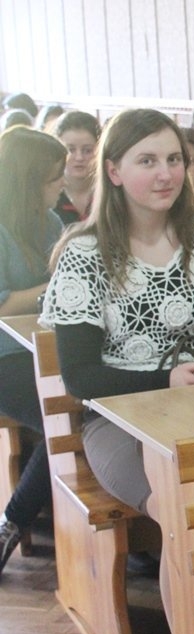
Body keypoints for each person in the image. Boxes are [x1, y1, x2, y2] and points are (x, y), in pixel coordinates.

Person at [39, 109, 194, 614]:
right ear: (114, 171)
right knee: (184, 512)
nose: (166, 174)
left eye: (174, 159)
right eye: (148, 161)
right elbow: (80, 377)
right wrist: (168, 380)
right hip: (121, 420)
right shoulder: (85, 253)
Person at [0, 127, 68, 577]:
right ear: (28, 182)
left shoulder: (51, 221)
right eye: (54, 177)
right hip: (4, 356)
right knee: (60, 419)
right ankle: (12, 522)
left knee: (85, 405)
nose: (62, 185)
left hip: (42, 346)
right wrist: (52, 286)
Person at [52, 111, 102, 226]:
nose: (79, 157)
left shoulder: (111, 194)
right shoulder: (48, 195)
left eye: (87, 150)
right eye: (70, 150)